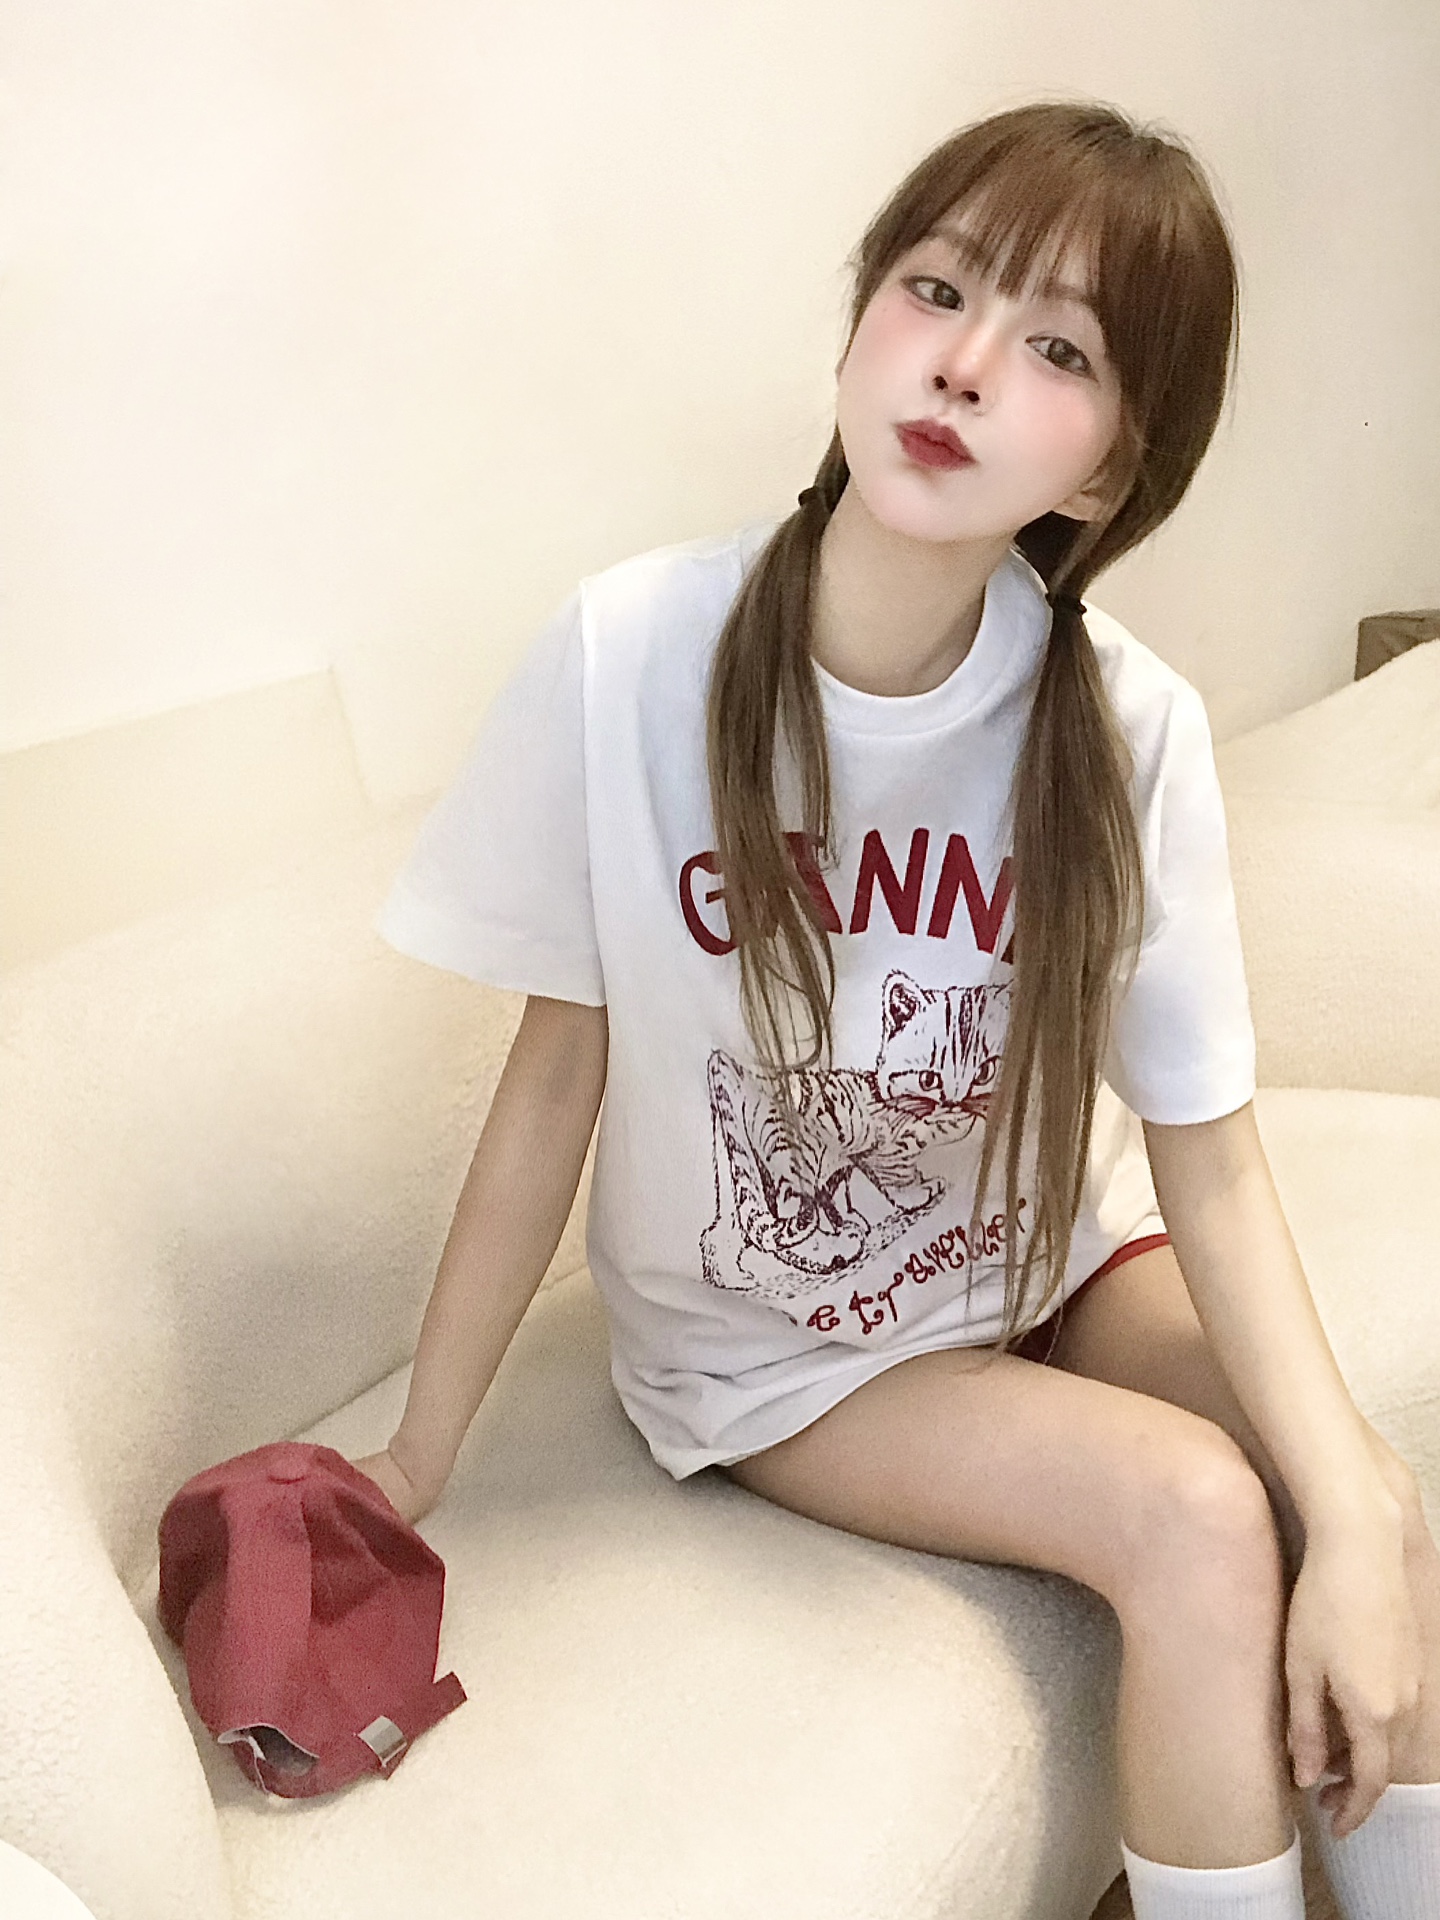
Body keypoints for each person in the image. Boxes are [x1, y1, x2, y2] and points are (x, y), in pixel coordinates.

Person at [354, 99, 1440, 1920]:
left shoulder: (1128, 728)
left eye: (1059, 350)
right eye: (938, 289)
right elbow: (553, 1085)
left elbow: (1211, 1158)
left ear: (1104, 472)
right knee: (1194, 1515)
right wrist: (418, 1447)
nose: (965, 364)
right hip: (783, 1348)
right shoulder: (631, 658)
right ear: (864, 317)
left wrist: (1350, 1506)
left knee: (1378, 1511)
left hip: (1044, 1256)